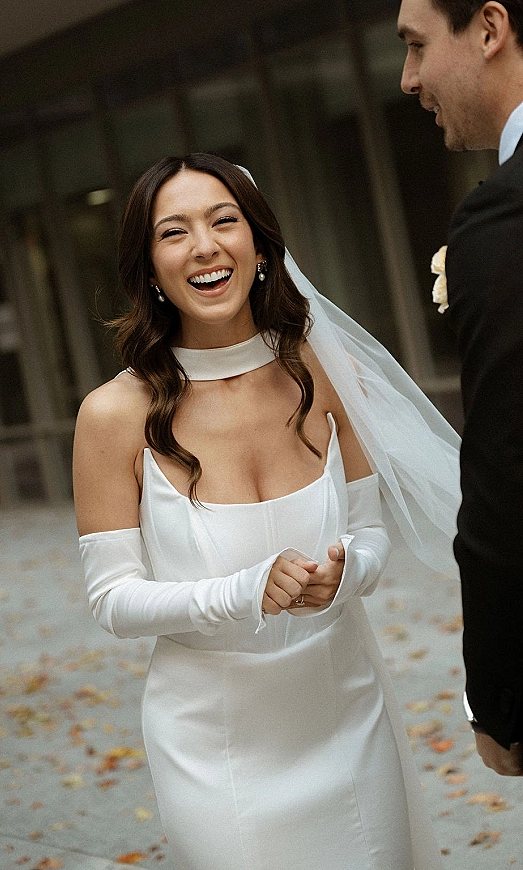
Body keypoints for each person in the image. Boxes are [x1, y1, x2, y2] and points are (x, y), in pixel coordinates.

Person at [73, 152, 461, 869]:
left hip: (346, 710)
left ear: (258, 245)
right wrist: (244, 592)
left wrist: (346, 572)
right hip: (212, 742)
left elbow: (371, 532)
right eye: (174, 232)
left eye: (224, 221)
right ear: (149, 266)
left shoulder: (323, 371)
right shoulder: (111, 414)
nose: (205, 246)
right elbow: (112, 599)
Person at [398, 0, 523, 777]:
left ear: (488, 27)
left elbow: (507, 474)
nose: (409, 79)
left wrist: (501, 696)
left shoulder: (505, 216)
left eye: (416, 46)